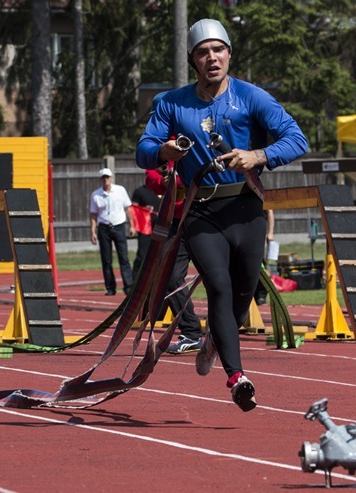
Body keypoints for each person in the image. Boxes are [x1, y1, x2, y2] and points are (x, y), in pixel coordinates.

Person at [136, 18, 308, 412]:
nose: (211, 57)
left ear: (229, 54)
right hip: (200, 211)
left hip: (245, 207)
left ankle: (217, 337)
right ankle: (237, 377)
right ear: (193, 60)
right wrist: (164, 152)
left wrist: (258, 155)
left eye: (218, 50)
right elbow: (143, 148)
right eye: (202, 52)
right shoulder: (170, 102)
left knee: (243, 293)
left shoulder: (252, 97)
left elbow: (297, 139)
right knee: (218, 286)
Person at [144, 165, 204, 354]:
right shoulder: (165, 145)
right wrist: (163, 181)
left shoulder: (201, 141)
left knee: (217, 275)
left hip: (204, 217)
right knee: (170, 277)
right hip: (177, 222)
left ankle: (225, 330)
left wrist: (176, 181)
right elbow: (150, 177)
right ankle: (192, 333)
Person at [89, 168, 136, 296]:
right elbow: (93, 214)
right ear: (100, 179)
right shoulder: (96, 195)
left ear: (111, 178)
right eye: (103, 177)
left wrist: (132, 225)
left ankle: (128, 286)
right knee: (106, 259)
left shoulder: (120, 190)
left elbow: (128, 208)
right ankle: (110, 287)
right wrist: (92, 231)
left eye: (107, 177)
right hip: (104, 227)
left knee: (124, 258)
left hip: (119, 226)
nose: (105, 180)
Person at [130, 181, 160, 280]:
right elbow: (133, 209)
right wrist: (143, 208)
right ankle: (134, 281)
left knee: (159, 256)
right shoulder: (139, 191)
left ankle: (154, 280)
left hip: (160, 228)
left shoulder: (163, 190)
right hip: (145, 229)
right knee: (142, 256)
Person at [254, 209, 275, 306]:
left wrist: (270, 232)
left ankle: (261, 295)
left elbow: (270, 211)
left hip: (259, 233)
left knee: (261, 265)